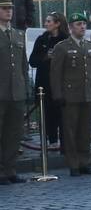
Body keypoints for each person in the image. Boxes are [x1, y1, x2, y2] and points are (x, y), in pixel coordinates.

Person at [50, 12, 91, 176]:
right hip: (70, 95)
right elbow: (55, 74)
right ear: (71, 27)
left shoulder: (90, 46)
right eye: (78, 24)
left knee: (85, 131)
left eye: (84, 24)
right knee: (70, 131)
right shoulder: (62, 47)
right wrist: (58, 95)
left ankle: (85, 161)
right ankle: (73, 164)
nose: (82, 27)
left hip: (87, 94)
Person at [0, 0, 29, 183]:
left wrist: (26, 87)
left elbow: (23, 65)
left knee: (14, 132)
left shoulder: (18, 35)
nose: (8, 11)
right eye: (4, 8)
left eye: (10, 8)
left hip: (16, 91)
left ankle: (10, 169)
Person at [30, 12, 69, 147]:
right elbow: (32, 61)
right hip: (45, 84)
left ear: (57, 24)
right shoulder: (42, 40)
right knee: (47, 115)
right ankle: (51, 140)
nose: (46, 24)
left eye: (49, 21)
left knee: (63, 115)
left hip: (62, 84)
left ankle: (65, 143)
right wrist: (46, 57)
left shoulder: (66, 39)